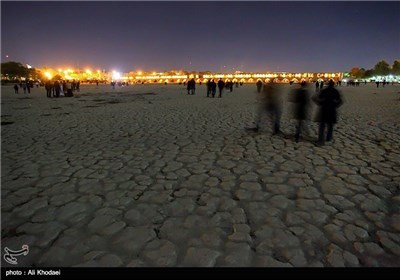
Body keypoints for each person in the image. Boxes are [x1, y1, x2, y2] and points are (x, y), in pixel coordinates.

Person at [312, 79, 343, 145]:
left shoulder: (324, 91)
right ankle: (328, 138)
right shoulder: (335, 91)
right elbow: (340, 101)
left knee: (322, 126)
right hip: (332, 110)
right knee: (330, 125)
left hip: (324, 109)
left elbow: (315, 98)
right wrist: (335, 105)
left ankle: (321, 140)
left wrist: (320, 103)